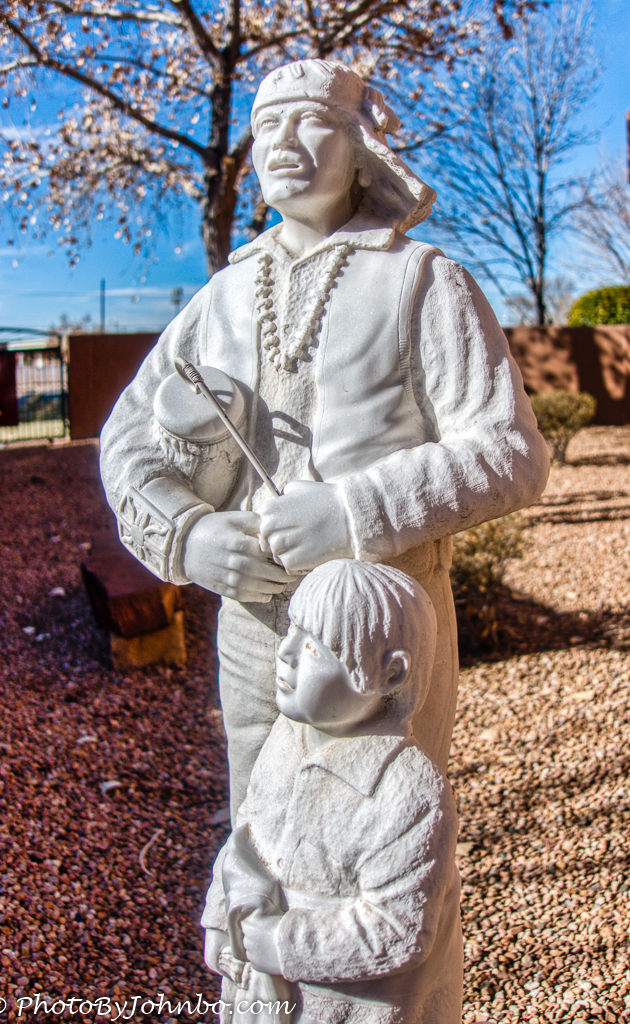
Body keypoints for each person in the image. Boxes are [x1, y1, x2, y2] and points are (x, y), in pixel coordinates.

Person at [100, 59, 550, 817]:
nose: (281, 142)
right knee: (261, 828)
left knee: (383, 825)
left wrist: (351, 511)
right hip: (253, 628)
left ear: (360, 146)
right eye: (265, 127)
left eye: (308, 120)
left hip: (382, 622)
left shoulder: (422, 282)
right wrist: (190, 535)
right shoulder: (218, 299)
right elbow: (126, 443)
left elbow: (510, 451)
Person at [201, 560, 463, 1024]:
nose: (286, 652)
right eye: (292, 630)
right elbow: (248, 836)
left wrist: (282, 942)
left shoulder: (409, 791)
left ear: (391, 674)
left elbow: (399, 930)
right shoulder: (286, 739)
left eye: (314, 647)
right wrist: (223, 916)